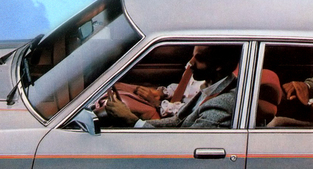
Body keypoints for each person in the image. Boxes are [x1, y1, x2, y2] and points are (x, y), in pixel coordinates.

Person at [101, 44, 241, 129]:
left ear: (218, 66)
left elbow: (187, 145)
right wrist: (137, 123)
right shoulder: (210, 87)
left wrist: (133, 121)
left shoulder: (221, 104)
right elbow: (177, 120)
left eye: (199, 59)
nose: (190, 63)